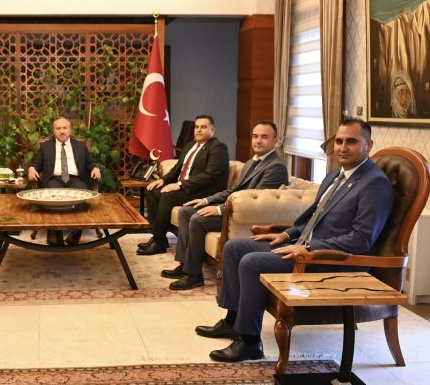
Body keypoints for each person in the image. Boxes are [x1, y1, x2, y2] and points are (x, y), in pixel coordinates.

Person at [196, 118, 394, 363]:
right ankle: (232, 321)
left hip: (331, 259)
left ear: (368, 145)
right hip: (304, 245)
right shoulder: (336, 175)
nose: (342, 148)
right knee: (234, 247)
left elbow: (361, 239)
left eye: (351, 142)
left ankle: (249, 342)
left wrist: (308, 247)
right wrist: (287, 234)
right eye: (339, 141)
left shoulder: (375, 184)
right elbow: (313, 216)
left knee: (251, 262)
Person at [163, 121, 288, 290]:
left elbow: (253, 202)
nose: (258, 141)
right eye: (255, 136)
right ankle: (185, 264)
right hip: (234, 208)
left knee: (198, 219)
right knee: (186, 211)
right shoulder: (251, 162)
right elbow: (234, 190)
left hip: (247, 217)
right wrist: (207, 200)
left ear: (276, 141)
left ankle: (193, 275)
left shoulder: (276, 167)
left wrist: (219, 209)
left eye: (264, 137)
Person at [137, 115, 229, 256]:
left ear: (213, 130)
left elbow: (208, 175)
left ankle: (159, 243)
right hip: (187, 188)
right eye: (196, 127)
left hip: (203, 191)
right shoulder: (190, 145)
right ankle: (158, 237)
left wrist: (180, 185)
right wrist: (163, 180)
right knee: (152, 190)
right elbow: (177, 168)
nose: (199, 130)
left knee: (167, 196)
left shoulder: (218, 148)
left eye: (203, 127)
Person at [27, 117, 101, 246]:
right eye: (58, 128)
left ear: (69, 129)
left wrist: (95, 168)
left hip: (75, 179)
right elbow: (36, 164)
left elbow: (89, 163)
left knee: (82, 192)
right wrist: (32, 169)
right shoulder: (46, 146)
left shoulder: (80, 145)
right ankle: (52, 233)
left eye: (64, 128)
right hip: (54, 179)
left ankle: (76, 233)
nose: (62, 131)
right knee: (51, 193)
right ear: (54, 131)